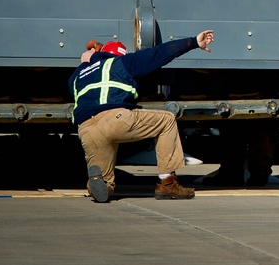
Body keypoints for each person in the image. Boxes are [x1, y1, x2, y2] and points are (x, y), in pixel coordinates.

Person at [69, 30, 215, 202]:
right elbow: (158, 53)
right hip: (115, 119)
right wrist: (193, 42)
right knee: (166, 120)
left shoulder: (77, 76)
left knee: (105, 182)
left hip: (87, 129)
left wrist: (86, 63)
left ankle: (98, 185)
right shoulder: (123, 62)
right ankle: (167, 183)